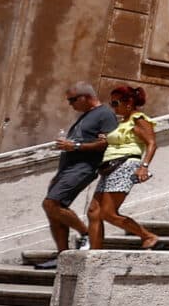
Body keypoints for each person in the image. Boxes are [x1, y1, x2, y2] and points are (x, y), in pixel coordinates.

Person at [43, 83, 116, 255]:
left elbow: (106, 142)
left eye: (72, 100)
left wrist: (74, 145)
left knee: (51, 203)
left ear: (85, 97)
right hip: (67, 169)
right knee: (53, 211)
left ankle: (86, 234)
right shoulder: (86, 116)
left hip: (83, 167)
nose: (70, 104)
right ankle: (62, 255)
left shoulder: (104, 114)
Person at [89, 84, 159, 250]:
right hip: (109, 167)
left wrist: (144, 167)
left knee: (108, 213)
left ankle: (148, 236)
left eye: (115, 103)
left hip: (125, 165)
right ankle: (94, 252)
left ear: (128, 103)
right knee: (94, 211)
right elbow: (119, 141)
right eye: (111, 103)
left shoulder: (138, 119)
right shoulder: (123, 122)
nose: (112, 108)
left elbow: (151, 143)